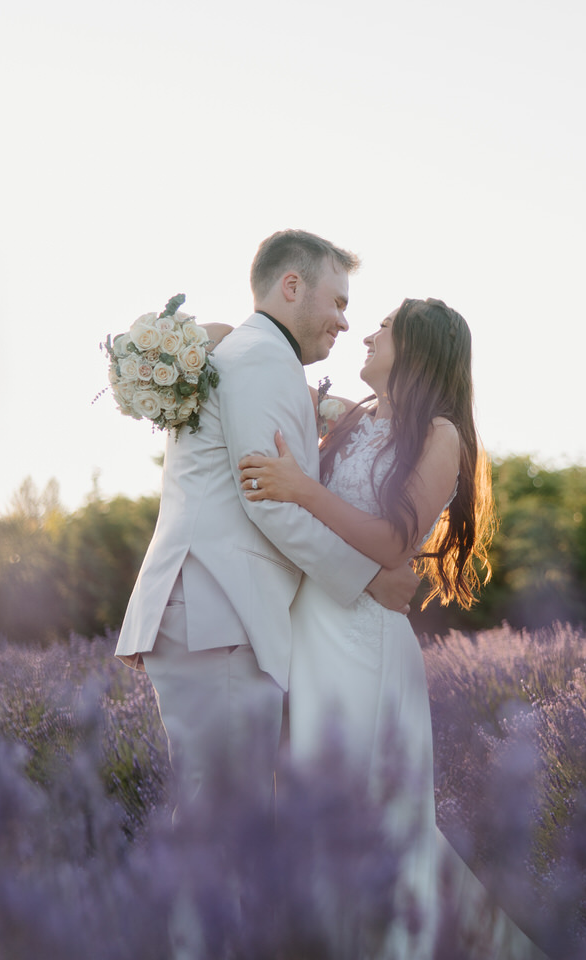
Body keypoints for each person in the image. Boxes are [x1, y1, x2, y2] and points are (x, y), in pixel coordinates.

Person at [238, 297, 542, 959]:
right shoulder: (351, 417)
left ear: (418, 350)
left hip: (362, 643)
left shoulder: (440, 435)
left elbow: (391, 541)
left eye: (385, 328)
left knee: (372, 816)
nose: (368, 333)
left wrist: (302, 489)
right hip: (310, 628)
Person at [114, 230, 420, 821]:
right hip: (219, 608)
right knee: (224, 822)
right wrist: (366, 579)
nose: (342, 322)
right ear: (291, 286)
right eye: (337, 302)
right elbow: (269, 500)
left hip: (216, 609)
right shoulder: (261, 357)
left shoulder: (254, 354)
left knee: (220, 817)